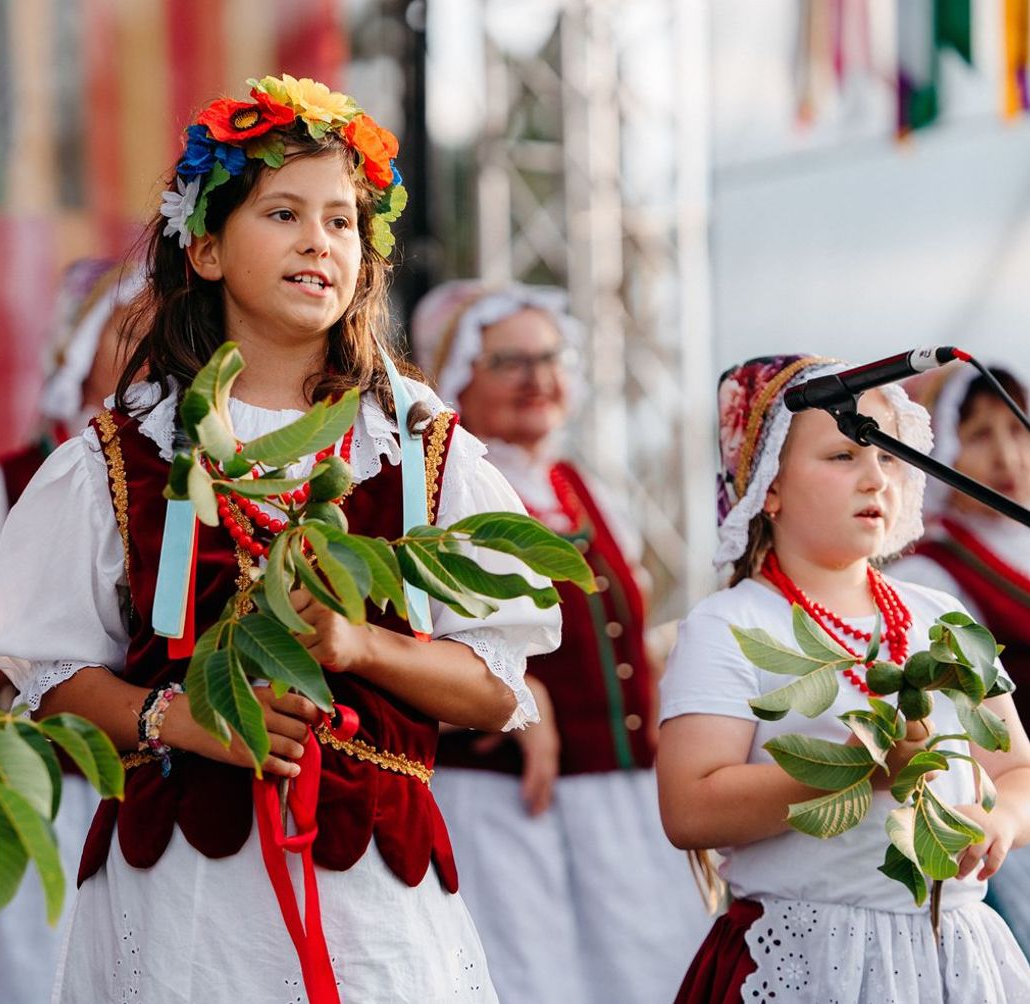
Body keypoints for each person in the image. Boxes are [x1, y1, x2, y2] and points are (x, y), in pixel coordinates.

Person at [0, 75, 562, 1002]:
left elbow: (496, 689)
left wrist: (361, 645)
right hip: (183, 896)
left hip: (373, 896)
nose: (318, 241)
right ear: (206, 248)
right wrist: (182, 720)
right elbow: (52, 678)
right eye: (283, 213)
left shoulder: (419, 448)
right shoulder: (125, 454)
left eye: (341, 221)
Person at [657, 354, 1030, 1003]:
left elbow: (1016, 768)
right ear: (768, 487)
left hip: (954, 956)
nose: (875, 478)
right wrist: (852, 770)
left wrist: (1001, 822)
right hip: (811, 955)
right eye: (843, 456)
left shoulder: (939, 614)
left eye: (887, 455)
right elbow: (689, 809)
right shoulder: (731, 623)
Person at [410, 280, 707, 1003]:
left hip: (621, 800)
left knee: (651, 976)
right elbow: (402, 647)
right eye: (509, 361)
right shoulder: (440, 496)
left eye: (550, 357)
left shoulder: (582, 488)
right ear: (455, 375)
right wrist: (520, 690)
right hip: (509, 805)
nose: (537, 378)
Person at [0, 255, 140, 1003]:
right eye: (128, 330)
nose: (152, 350)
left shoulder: (203, 481)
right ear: (80, 348)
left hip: (166, 796)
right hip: (47, 798)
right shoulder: (8, 488)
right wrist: (32, 644)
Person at [890, 362, 1030, 950]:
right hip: (1007, 824)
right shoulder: (930, 577)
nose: (1007, 455)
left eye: (1017, 429)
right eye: (979, 435)